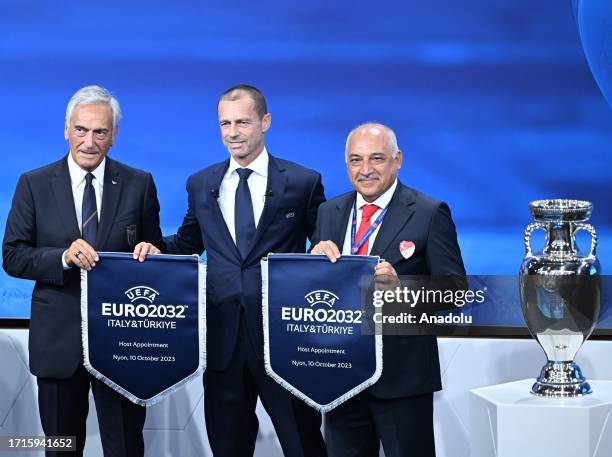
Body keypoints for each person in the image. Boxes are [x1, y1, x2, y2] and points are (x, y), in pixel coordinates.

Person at [135, 84, 327, 456]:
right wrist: (154, 248)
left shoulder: (303, 182)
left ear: (265, 122)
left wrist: (327, 246)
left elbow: (323, 243)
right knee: (227, 446)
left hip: (283, 342)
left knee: (302, 442)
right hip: (222, 340)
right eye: (225, 123)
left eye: (242, 122)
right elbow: (190, 244)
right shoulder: (202, 183)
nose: (233, 133)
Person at [2, 85, 164, 457]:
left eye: (100, 132)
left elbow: (155, 253)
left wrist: (153, 252)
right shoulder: (34, 184)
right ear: (66, 129)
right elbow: (12, 256)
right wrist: (61, 256)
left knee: (125, 447)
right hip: (59, 344)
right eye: (81, 130)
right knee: (61, 448)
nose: (89, 141)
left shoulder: (139, 184)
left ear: (114, 136)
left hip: (124, 345)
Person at [310, 123, 466, 457]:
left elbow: (455, 290)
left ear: (397, 160)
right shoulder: (328, 213)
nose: (365, 170)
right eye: (355, 160)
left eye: (376, 158)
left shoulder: (428, 212)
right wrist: (311, 267)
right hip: (340, 374)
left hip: (402, 378)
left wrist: (402, 288)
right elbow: (321, 291)